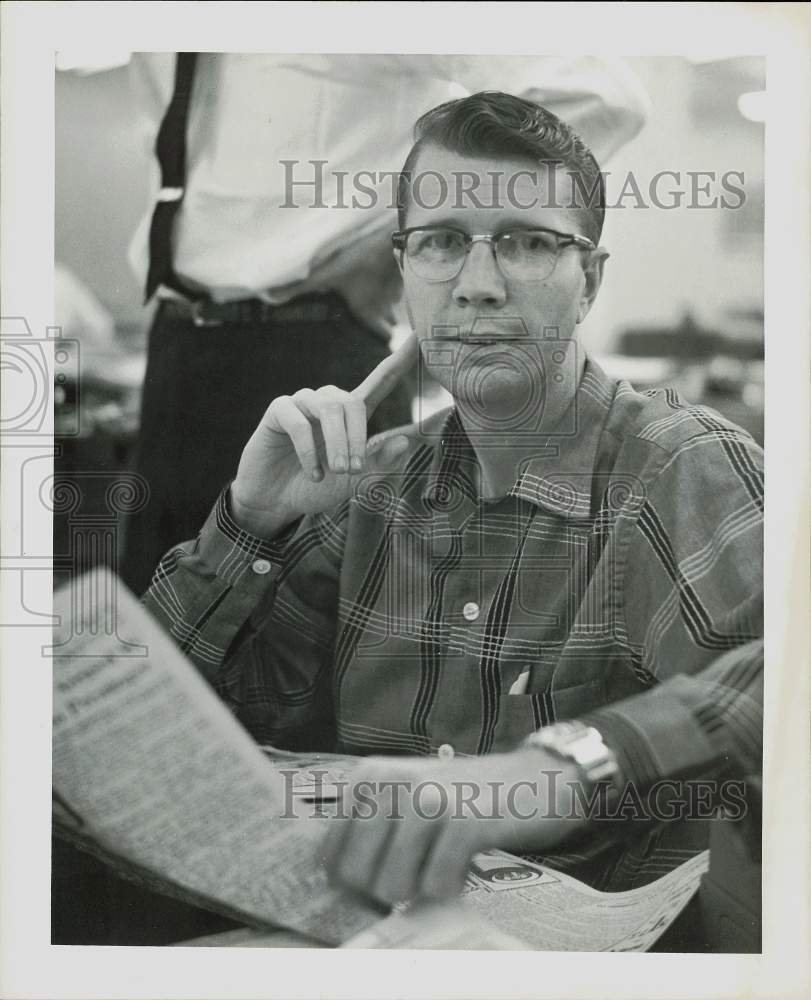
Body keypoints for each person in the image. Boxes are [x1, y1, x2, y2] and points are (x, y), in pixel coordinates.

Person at [143, 92, 762, 911]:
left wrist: (555, 771)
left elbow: (786, 682)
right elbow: (158, 746)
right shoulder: (369, 486)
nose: (477, 286)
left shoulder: (680, 467)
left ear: (589, 281)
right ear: (403, 275)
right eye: (440, 242)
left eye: (528, 244)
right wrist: (249, 523)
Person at [121, 54, 649, 595]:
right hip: (178, 342)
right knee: (156, 616)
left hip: (316, 341)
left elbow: (601, 96)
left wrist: (409, 246)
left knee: (341, 620)